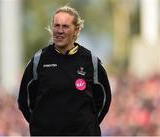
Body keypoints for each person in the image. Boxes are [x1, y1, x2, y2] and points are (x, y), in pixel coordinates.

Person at [18, 6, 111, 136]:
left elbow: (104, 101)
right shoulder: (38, 60)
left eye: (65, 26)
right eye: (56, 26)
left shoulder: (91, 61)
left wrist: (88, 125)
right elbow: (24, 101)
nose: (59, 31)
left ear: (76, 30)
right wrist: (41, 125)